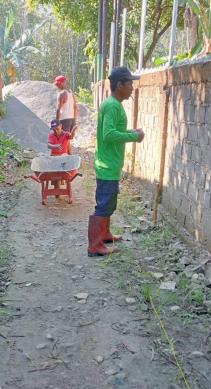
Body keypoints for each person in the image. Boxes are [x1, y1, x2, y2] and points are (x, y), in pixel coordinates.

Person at [88, 66, 145, 257]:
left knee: (109, 202)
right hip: (107, 164)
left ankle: (104, 234)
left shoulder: (114, 104)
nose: (132, 88)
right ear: (119, 85)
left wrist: (131, 132)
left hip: (110, 163)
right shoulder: (112, 105)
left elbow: (112, 132)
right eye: (129, 83)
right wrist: (134, 136)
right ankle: (94, 245)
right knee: (104, 204)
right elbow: (109, 134)